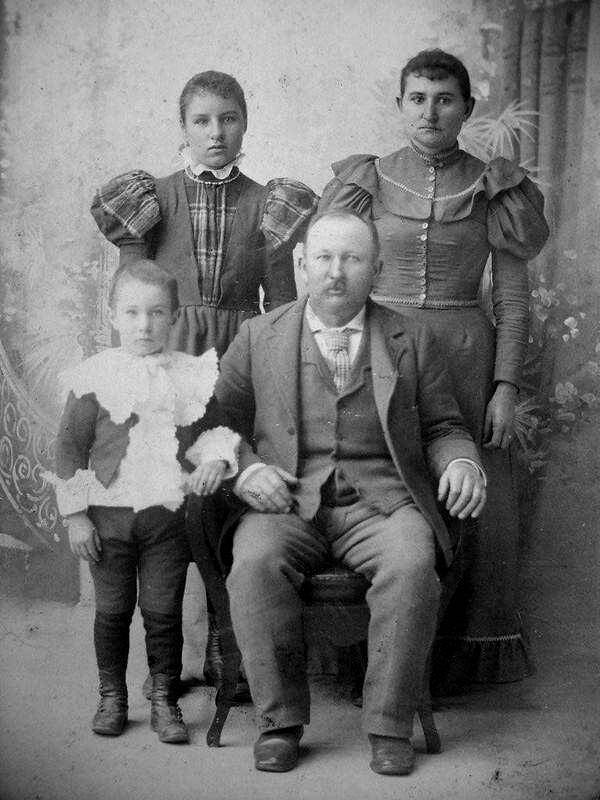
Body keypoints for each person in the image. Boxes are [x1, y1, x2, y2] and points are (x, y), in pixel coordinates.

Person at [213, 209, 486, 775]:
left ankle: (389, 725)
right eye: (324, 258)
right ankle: (280, 723)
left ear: (377, 269)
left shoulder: (412, 337)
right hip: (287, 498)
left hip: (381, 503)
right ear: (301, 264)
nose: (336, 273)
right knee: (255, 562)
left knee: (413, 564)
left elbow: (444, 427)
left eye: (353, 259)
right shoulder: (257, 336)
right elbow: (214, 424)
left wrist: (462, 462)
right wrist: (244, 470)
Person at [319, 49, 549, 689]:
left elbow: (510, 296)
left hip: (466, 356)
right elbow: (331, 277)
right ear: (400, 106)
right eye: (417, 98)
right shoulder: (365, 179)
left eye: (444, 99)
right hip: (379, 351)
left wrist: (506, 386)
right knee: (381, 487)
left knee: (465, 497)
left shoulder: (496, 185)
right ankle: (372, 660)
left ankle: (441, 667)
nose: (430, 111)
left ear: (466, 109)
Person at [90, 70, 318, 691]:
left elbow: (283, 305)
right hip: (169, 358)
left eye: (229, 120)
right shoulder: (150, 198)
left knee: (231, 491)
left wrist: (281, 373)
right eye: (202, 121)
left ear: (245, 123)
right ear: (183, 127)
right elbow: (134, 297)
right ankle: (178, 662)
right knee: (173, 501)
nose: (216, 133)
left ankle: (232, 652)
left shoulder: (270, 201)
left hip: (241, 361)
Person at [44, 260, 239, 744]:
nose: (143, 325)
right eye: (131, 313)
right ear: (112, 316)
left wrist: (216, 458)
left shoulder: (190, 374)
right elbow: (68, 448)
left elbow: (212, 431)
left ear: (174, 318)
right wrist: (75, 517)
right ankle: (112, 696)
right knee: (111, 610)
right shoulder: (95, 376)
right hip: (107, 519)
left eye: (156, 313)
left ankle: (164, 698)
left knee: (161, 610)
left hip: (167, 521)